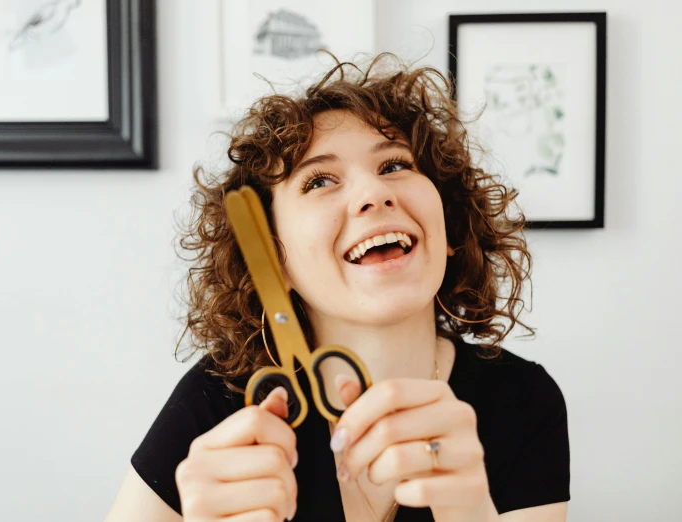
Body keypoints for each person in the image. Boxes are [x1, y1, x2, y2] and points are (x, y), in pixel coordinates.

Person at [105, 53, 570, 522]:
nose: (373, 194)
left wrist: (471, 512)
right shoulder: (219, 400)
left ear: (450, 228)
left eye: (394, 166)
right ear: (273, 261)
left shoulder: (525, 401)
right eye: (319, 180)